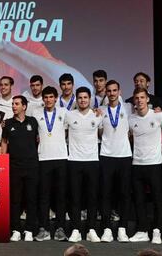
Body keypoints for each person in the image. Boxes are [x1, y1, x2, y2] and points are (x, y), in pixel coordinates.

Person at [128, 87, 162, 244]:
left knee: (157, 199)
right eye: (137, 98)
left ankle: (157, 231)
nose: (140, 100)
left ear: (147, 99)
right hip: (137, 164)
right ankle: (142, 230)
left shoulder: (158, 116)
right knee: (139, 200)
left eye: (142, 97)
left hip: (155, 164)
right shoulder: (131, 119)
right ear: (134, 101)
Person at [66, 87, 103, 243]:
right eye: (80, 98)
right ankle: (75, 229)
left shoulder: (97, 115)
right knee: (75, 197)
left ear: (90, 99)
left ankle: (91, 230)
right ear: (76, 99)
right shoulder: (68, 115)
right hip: (74, 161)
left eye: (85, 97)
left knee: (92, 197)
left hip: (92, 161)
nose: (82, 100)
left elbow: (102, 134)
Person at [33, 86, 68, 241]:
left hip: (61, 158)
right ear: (43, 99)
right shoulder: (36, 113)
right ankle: (44, 229)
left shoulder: (64, 112)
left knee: (61, 195)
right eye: (45, 97)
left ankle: (60, 229)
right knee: (44, 196)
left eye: (51, 97)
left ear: (56, 98)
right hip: (43, 159)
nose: (48, 100)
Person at [1, 95, 38, 242]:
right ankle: (15, 229)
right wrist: (3, 161)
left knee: (31, 199)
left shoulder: (33, 122)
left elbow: (39, 140)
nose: (13, 106)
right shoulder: (8, 123)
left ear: (24, 106)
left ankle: (29, 230)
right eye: (12, 104)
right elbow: (4, 142)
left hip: (32, 166)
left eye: (16, 104)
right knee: (15, 200)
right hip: (14, 167)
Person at [99, 80, 132, 242]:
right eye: (109, 91)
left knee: (124, 194)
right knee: (106, 194)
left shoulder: (128, 108)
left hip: (124, 156)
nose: (111, 93)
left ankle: (122, 229)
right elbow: (97, 131)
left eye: (114, 90)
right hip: (106, 156)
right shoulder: (100, 110)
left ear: (119, 91)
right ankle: (106, 229)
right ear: (106, 92)